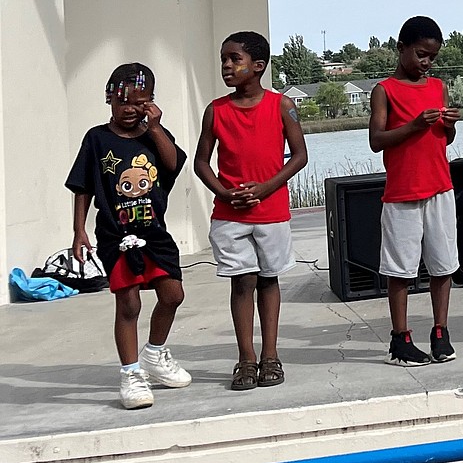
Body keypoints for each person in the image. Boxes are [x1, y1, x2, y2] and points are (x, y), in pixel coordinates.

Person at [67, 63, 191, 409]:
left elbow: (172, 164)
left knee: (173, 294)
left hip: (154, 234)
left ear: (151, 102)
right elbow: (82, 187)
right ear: (109, 99)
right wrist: (79, 230)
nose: (131, 110)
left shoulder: (154, 135)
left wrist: (155, 127)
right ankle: (131, 374)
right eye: (123, 103)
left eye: (141, 102)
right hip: (115, 235)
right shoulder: (96, 139)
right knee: (130, 303)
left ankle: (154, 353)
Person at [194, 31, 308, 390]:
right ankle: (245, 358)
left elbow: (300, 156)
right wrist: (225, 194)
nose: (227, 65)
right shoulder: (216, 110)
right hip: (230, 216)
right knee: (242, 282)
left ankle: (270, 355)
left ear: (258, 66)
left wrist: (266, 188)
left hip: (271, 212)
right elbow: (201, 163)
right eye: (223, 59)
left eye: (235, 59)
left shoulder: (281, 106)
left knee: (268, 278)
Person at [368, 16, 462, 365]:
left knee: (443, 265)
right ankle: (400, 338)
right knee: (401, 270)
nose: (426, 63)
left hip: (440, 187)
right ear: (401, 48)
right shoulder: (385, 90)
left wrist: (449, 126)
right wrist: (412, 125)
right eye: (421, 54)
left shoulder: (437, 87)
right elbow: (376, 141)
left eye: (432, 57)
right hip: (402, 192)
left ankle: (441, 331)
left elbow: (444, 139)